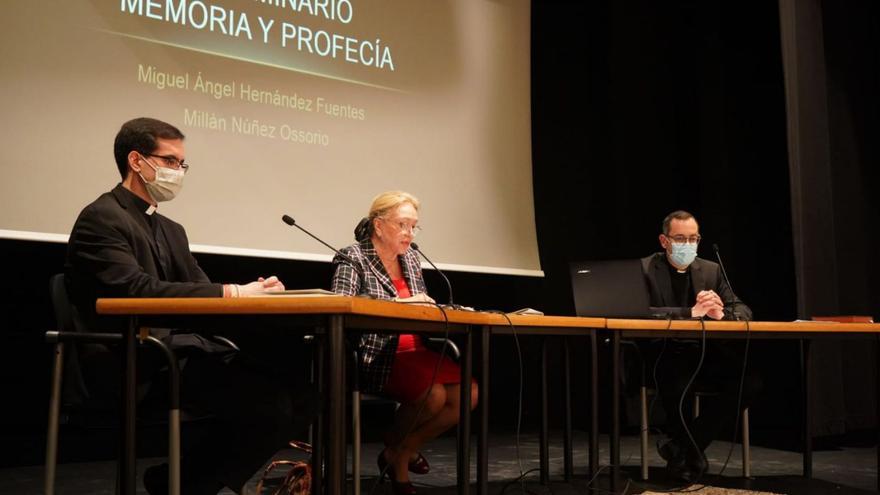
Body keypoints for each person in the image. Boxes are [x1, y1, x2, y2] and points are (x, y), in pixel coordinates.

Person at [65, 117, 311, 494]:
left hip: (177, 354)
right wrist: (234, 293)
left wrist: (253, 290)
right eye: (169, 161)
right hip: (131, 360)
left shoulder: (171, 230)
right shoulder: (101, 218)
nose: (178, 171)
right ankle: (183, 484)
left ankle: (179, 482)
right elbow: (136, 290)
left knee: (302, 394)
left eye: (182, 164)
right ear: (136, 161)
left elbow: (199, 289)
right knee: (268, 405)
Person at [331, 191, 477, 495]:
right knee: (433, 396)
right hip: (374, 354)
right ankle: (399, 468)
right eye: (402, 225)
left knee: (470, 392)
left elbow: (417, 307)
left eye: (414, 226)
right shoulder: (352, 256)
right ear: (379, 225)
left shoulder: (411, 258)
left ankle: (400, 449)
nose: (409, 234)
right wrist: (402, 302)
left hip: (416, 351)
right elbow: (341, 303)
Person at [641, 210, 760, 483]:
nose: (688, 245)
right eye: (680, 238)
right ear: (664, 240)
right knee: (676, 382)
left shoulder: (710, 269)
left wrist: (721, 314)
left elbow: (742, 309)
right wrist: (689, 312)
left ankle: (682, 449)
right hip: (663, 353)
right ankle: (688, 452)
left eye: (693, 239)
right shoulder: (645, 268)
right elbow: (637, 311)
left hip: (704, 352)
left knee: (749, 381)